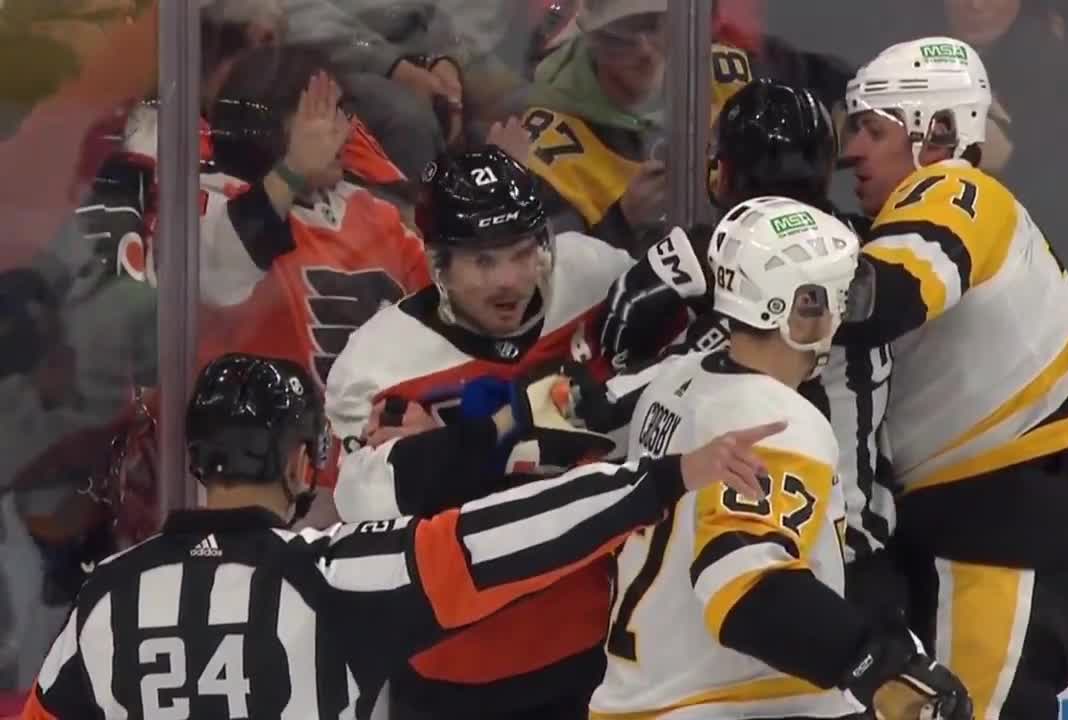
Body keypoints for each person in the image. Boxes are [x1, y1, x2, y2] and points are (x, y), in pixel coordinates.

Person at [18, 352, 779, 720]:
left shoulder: (105, 596)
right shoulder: (335, 575)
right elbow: (505, 535)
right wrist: (664, 478)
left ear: (195, 461)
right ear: (300, 462)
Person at [588, 197, 970, 720]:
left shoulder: (678, 380)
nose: (844, 316)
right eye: (839, 297)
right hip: (721, 705)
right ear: (800, 308)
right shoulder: (774, 422)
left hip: (643, 692)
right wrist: (879, 666)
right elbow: (745, 589)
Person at [836, 36, 1068, 719]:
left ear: (936, 133)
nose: (851, 151)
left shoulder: (952, 189)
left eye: (873, 129)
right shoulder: (947, 214)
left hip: (996, 547)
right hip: (1001, 536)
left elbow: (883, 299)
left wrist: (750, 277)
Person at [324, 146, 634, 719]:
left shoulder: (594, 275)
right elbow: (365, 507)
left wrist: (458, 448)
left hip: (597, 645)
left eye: (523, 253)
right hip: (453, 670)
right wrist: (528, 428)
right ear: (437, 263)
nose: (510, 281)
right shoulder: (376, 364)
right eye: (484, 262)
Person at [595, 78, 898, 612]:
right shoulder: (866, 249)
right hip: (857, 537)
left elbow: (618, 330)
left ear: (727, 170)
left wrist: (702, 335)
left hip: (749, 540)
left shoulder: (706, 250)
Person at [195, 46, 432, 385]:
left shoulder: (372, 210)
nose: (344, 132)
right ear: (267, 125)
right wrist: (291, 170)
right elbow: (221, 276)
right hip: (262, 411)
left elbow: (447, 298)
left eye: (341, 113)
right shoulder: (213, 197)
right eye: (321, 114)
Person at [521, 0, 754, 252]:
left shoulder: (728, 78)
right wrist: (623, 220)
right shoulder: (549, 148)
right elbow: (546, 267)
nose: (645, 50)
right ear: (594, 40)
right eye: (623, 35)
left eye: (653, 25)